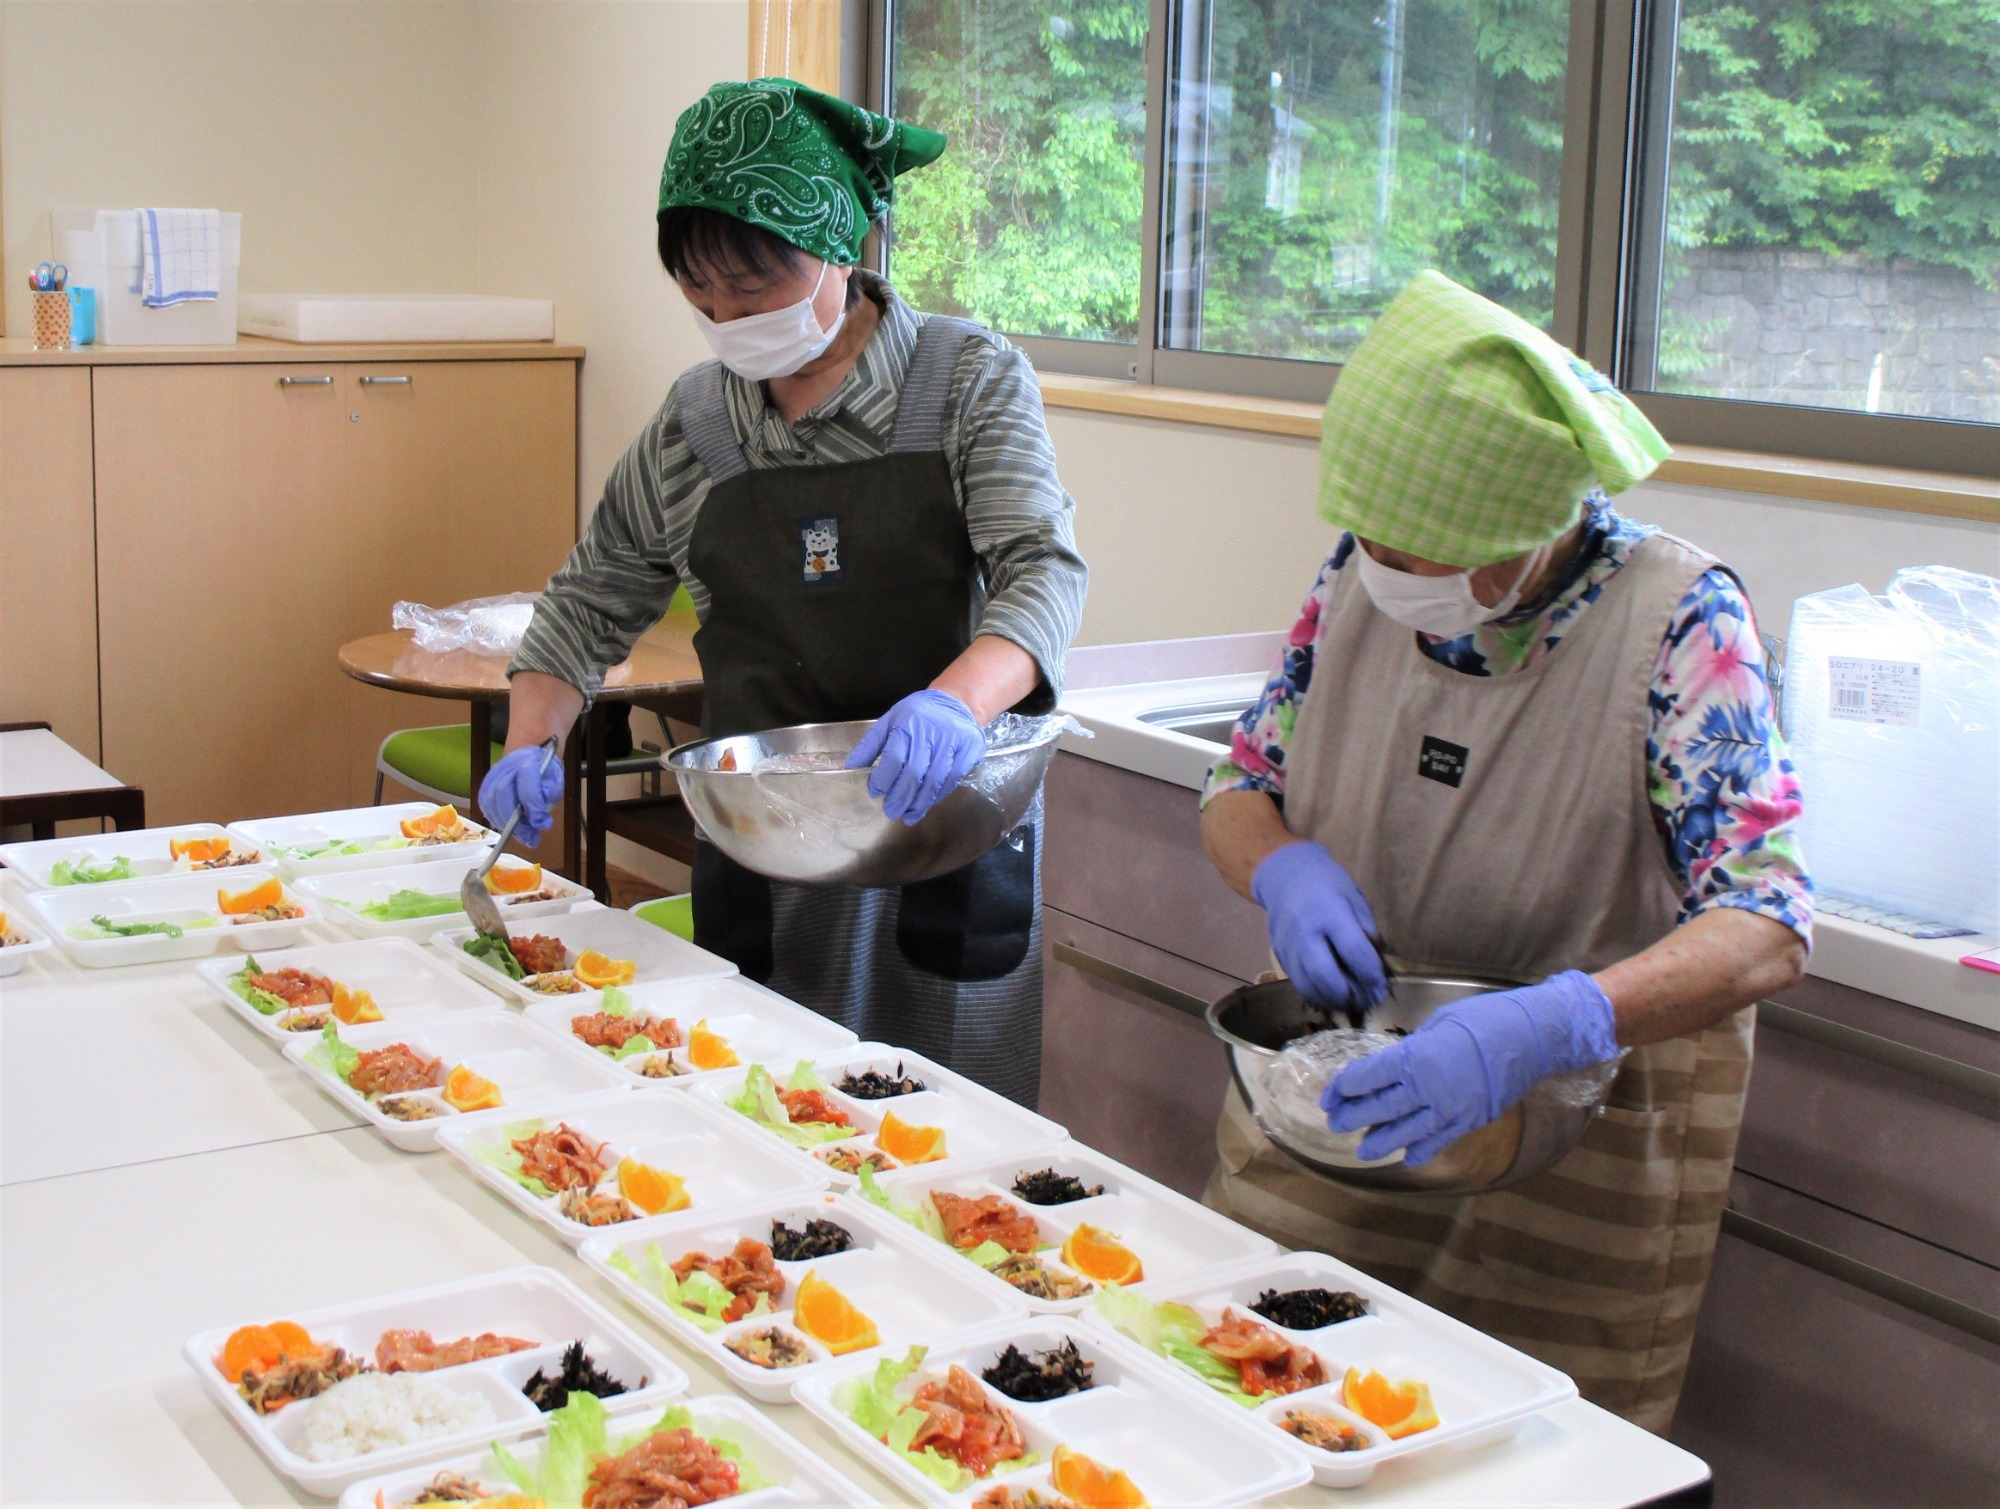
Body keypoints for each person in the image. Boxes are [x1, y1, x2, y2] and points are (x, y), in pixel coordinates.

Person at [1199, 272, 1812, 1430]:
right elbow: (1240, 783)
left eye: (1420, 550)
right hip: (1338, 1091)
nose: (1384, 565)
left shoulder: (1682, 627)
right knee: (1246, 1395)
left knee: (1509, 1448)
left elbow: (1766, 924)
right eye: (1371, 531)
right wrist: (1278, 865)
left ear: (1532, 525)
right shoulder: (1359, 575)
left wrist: (1553, 1023)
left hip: (1565, 1131)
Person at [482, 79, 1087, 1104]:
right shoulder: (694, 427)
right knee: (762, 1115)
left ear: (840, 246)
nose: (726, 319)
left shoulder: (965, 382)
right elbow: (590, 601)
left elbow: (1040, 569)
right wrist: (528, 736)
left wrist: (956, 703)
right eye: (699, 295)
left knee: (946, 1135)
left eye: (753, 289)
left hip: (939, 815)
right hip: (766, 838)